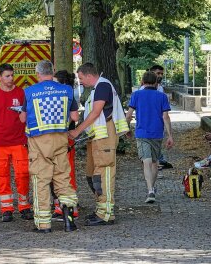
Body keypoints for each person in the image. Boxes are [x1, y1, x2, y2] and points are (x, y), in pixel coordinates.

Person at [20, 60, 79, 233]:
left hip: (39, 143)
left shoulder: (29, 91)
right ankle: (69, 222)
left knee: (41, 181)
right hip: (60, 140)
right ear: (52, 72)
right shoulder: (67, 90)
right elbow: (74, 116)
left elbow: (23, 119)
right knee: (63, 179)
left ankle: (44, 224)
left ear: (38, 74)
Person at [68, 63, 129, 226]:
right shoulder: (98, 87)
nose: (80, 82)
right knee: (95, 174)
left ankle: (106, 214)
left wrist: (77, 131)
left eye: (81, 78)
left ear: (89, 75)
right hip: (99, 138)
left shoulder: (102, 86)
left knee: (104, 174)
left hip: (104, 139)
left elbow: (96, 112)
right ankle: (101, 210)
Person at [0, 63, 33, 222]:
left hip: (19, 141)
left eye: (12, 75)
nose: (11, 78)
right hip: (0, 142)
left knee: (23, 174)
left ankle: (24, 206)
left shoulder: (21, 93)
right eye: (7, 76)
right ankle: (6, 209)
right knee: (2, 175)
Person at [126, 71, 173, 203]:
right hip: (157, 133)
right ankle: (151, 188)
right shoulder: (162, 96)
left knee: (146, 161)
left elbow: (129, 115)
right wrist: (170, 136)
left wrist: (126, 129)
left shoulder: (136, 95)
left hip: (142, 133)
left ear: (142, 82)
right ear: (156, 83)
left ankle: (150, 190)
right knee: (154, 162)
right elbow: (166, 117)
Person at [51, 70, 79, 221]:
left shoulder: (66, 96)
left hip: (64, 137)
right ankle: (61, 206)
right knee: (59, 172)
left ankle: (70, 207)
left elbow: (71, 117)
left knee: (66, 172)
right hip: (62, 137)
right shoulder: (66, 95)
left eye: (55, 82)